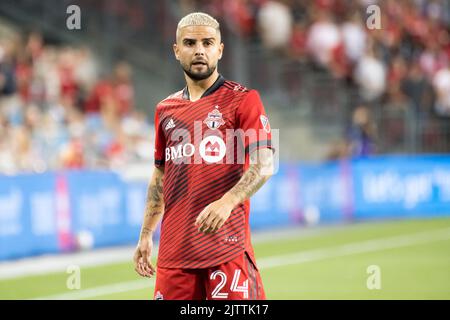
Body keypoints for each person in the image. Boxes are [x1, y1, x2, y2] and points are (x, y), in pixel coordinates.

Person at [133, 12, 274, 300]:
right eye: (190, 43)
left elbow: (265, 164)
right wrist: (146, 233)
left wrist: (228, 202)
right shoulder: (165, 110)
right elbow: (160, 175)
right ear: (176, 50)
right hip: (174, 255)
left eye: (208, 43)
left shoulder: (243, 100)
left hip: (225, 248)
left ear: (219, 50)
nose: (199, 50)